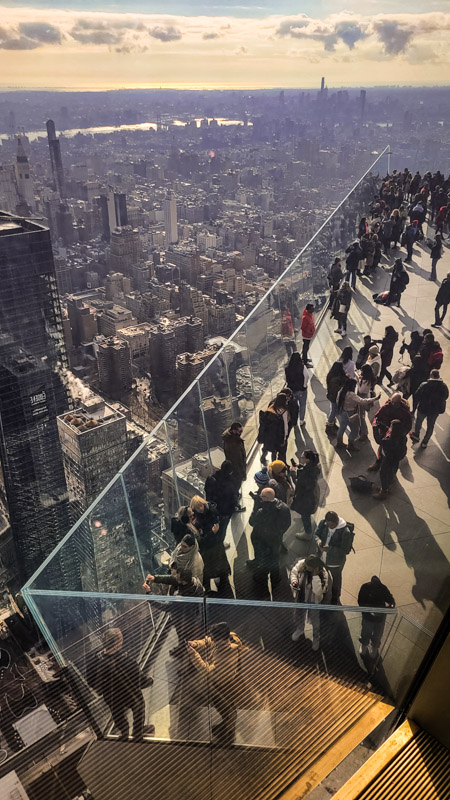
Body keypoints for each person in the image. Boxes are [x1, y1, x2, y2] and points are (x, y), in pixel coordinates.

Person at [86, 628, 153, 741]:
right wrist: (150, 680)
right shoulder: (126, 660)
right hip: (130, 693)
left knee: (117, 713)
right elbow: (141, 681)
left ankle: (124, 732)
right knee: (139, 707)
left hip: (111, 696)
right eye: (121, 639)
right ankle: (138, 732)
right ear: (117, 643)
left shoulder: (96, 661)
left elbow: (91, 681)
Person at [188, 622, 246, 745]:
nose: (211, 638)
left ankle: (227, 732)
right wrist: (196, 644)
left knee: (224, 708)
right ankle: (227, 724)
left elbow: (207, 671)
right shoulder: (229, 638)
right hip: (227, 681)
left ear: (219, 639)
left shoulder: (224, 656)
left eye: (213, 636)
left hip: (222, 685)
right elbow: (208, 641)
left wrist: (194, 654)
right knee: (228, 707)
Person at [247, 487, 291, 590]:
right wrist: (279, 532)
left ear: (266, 498)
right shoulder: (284, 507)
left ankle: (262, 579)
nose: (260, 498)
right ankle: (275, 579)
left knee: (263, 559)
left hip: (261, 539)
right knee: (274, 559)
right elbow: (287, 523)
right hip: (275, 539)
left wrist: (256, 508)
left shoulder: (261, 510)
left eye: (262, 496)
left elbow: (251, 522)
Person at [290, 554, 332, 651]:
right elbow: (294, 571)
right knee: (300, 615)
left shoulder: (324, 575)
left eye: (308, 567)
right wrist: (294, 581)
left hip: (314, 601)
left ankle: (316, 636)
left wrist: (315, 577)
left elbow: (319, 594)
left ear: (314, 568)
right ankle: (300, 629)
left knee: (315, 619)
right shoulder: (304, 564)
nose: (306, 567)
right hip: (303, 597)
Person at [190, 496, 231, 594]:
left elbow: (216, 530)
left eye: (200, 506)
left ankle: (222, 579)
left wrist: (207, 532)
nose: (200, 509)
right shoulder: (197, 514)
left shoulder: (212, 512)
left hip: (213, 542)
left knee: (217, 562)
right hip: (209, 542)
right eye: (197, 508)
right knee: (213, 564)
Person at [314, 511, 354, 604]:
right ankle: (324, 590)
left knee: (336, 579)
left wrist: (328, 549)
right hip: (322, 558)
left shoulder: (345, 532)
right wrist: (318, 541)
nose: (329, 527)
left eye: (331, 526)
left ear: (336, 523)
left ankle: (335, 597)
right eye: (328, 524)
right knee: (323, 575)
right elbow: (316, 534)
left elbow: (345, 550)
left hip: (335, 562)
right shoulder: (323, 523)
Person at [336, 378, 379, 451]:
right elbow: (362, 401)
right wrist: (375, 398)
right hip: (351, 413)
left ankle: (339, 442)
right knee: (355, 430)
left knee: (342, 427)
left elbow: (337, 400)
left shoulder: (341, 391)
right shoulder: (351, 395)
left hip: (343, 412)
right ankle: (351, 444)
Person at [358, 576, 395, 658]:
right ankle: (365, 645)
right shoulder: (366, 587)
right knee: (367, 632)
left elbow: (390, 598)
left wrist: (392, 604)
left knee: (377, 634)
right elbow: (360, 601)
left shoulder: (382, 588)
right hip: (369, 617)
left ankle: (374, 647)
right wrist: (369, 611)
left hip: (379, 617)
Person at [410, 370, 448, 448]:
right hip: (434, 411)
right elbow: (446, 396)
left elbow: (417, 395)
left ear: (431, 375)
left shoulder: (424, 385)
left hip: (423, 408)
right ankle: (425, 442)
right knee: (430, 426)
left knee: (419, 422)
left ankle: (416, 435)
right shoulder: (443, 386)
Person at [205, 461, 240, 545]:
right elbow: (234, 497)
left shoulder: (211, 478)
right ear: (230, 472)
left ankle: (214, 542)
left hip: (213, 509)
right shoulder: (230, 483)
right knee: (222, 528)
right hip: (225, 511)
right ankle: (220, 544)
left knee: (214, 527)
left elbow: (207, 492)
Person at [370, 392, 413, 459]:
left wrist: (404, 433)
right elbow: (377, 417)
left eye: (395, 403)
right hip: (385, 431)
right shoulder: (386, 407)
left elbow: (409, 424)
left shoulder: (404, 410)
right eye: (392, 402)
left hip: (398, 433)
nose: (393, 404)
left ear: (399, 402)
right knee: (382, 446)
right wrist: (375, 425)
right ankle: (379, 460)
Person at [374, 420, 408, 499]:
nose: (389, 428)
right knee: (393, 469)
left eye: (391, 426)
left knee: (383, 473)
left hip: (388, 458)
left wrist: (375, 429)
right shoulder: (402, 436)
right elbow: (389, 430)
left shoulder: (389, 440)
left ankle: (384, 491)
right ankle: (390, 480)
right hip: (396, 457)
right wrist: (381, 425)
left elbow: (378, 440)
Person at [291, 451, 321, 538]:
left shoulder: (307, 474)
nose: (301, 458)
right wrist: (299, 466)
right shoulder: (315, 466)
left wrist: (293, 474)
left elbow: (299, 484)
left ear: (308, 459)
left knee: (305, 515)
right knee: (305, 513)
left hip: (307, 499)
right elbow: (307, 469)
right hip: (313, 493)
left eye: (302, 457)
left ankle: (307, 533)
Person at [258, 394, 288, 464]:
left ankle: (263, 458)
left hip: (268, 434)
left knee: (267, 447)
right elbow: (285, 426)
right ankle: (273, 464)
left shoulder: (271, 407)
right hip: (277, 434)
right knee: (275, 451)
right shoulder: (283, 412)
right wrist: (284, 438)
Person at [222, 422, 246, 502]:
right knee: (236, 485)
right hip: (236, 469)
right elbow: (238, 460)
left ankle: (235, 498)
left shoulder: (229, 439)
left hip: (233, 468)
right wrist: (243, 473)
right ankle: (235, 502)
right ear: (234, 431)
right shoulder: (234, 443)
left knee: (235, 486)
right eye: (239, 431)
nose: (241, 433)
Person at [285, 351, 309, 426]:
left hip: (292, 390)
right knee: (302, 405)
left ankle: (293, 421)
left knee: (293, 406)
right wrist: (304, 385)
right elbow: (307, 376)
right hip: (301, 389)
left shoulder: (287, 368)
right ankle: (301, 420)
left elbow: (285, 379)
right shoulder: (302, 367)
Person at [325, 360, 347, 430]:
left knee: (333, 409)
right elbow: (337, 389)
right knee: (333, 410)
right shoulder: (335, 379)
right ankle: (329, 423)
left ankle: (332, 422)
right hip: (334, 397)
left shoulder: (331, 375)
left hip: (331, 396)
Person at [356, 364, 376, 440]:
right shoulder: (369, 379)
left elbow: (361, 390)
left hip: (362, 397)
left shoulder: (365, 381)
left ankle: (364, 433)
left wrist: (358, 381)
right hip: (365, 396)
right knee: (361, 415)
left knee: (361, 416)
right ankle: (362, 431)